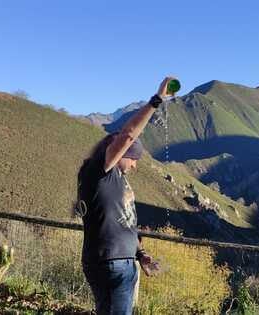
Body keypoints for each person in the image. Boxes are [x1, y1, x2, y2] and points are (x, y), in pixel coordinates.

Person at [75, 77, 175, 314]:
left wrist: (141, 255)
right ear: (122, 153)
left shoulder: (115, 181)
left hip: (121, 262)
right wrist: (157, 100)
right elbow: (128, 134)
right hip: (111, 263)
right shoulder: (100, 171)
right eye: (134, 159)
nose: (135, 166)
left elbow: (124, 222)